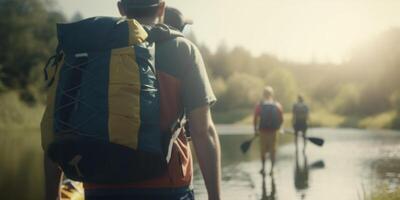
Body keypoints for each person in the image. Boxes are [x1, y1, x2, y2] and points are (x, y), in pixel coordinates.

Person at [44, 0, 221, 200]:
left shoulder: (87, 51)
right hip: (166, 188)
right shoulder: (182, 49)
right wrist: (215, 197)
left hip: (99, 186)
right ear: (162, 7)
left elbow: (58, 125)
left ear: (121, 8)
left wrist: (52, 195)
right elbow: (202, 131)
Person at [253, 86, 283, 176]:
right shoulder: (277, 105)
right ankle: (272, 170)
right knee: (272, 150)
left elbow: (255, 118)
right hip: (273, 131)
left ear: (263, 94)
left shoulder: (259, 105)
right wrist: (279, 127)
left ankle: (263, 168)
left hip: (263, 131)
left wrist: (255, 130)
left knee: (263, 150)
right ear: (272, 94)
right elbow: (281, 119)